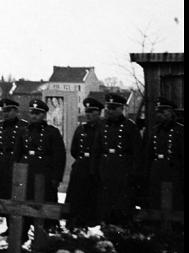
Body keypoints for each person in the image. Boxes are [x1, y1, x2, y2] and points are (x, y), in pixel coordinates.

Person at [13, 99, 67, 234]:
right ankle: (23, 232)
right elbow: (17, 154)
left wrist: (56, 177)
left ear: (44, 115)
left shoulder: (52, 132)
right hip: (27, 173)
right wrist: (16, 174)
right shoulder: (23, 131)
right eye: (32, 113)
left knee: (46, 203)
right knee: (25, 202)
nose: (34, 116)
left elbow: (59, 156)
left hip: (44, 173)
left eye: (37, 113)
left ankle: (47, 231)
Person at [91, 93, 142, 224]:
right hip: (106, 168)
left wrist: (135, 173)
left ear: (121, 109)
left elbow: (137, 152)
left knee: (122, 204)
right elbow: (96, 149)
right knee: (105, 203)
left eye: (114, 108)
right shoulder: (102, 125)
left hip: (123, 169)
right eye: (108, 108)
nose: (110, 111)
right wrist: (94, 170)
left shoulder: (129, 126)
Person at [0, 98, 28, 234]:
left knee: (16, 195)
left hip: (16, 162)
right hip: (2, 162)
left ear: (16, 111)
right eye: (4, 111)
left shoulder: (24, 125)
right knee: (4, 194)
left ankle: (19, 229)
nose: (6, 113)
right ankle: (9, 226)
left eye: (9, 110)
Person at [65, 98, 104, 228]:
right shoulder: (80, 129)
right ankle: (75, 225)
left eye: (92, 111)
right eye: (86, 111)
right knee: (77, 198)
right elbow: (74, 150)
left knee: (93, 198)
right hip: (81, 167)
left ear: (99, 113)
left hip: (96, 168)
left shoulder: (103, 129)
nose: (88, 114)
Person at [145, 97, 183, 216]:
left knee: (174, 202)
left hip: (173, 172)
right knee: (157, 200)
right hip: (157, 171)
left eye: (163, 112)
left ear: (171, 113)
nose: (160, 115)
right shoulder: (155, 131)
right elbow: (149, 155)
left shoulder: (180, 131)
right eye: (158, 112)